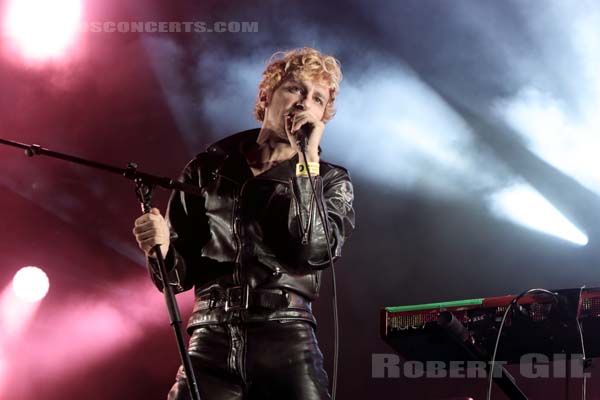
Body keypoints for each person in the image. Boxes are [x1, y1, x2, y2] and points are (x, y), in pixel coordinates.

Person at [133, 47, 355, 400]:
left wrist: (308, 161)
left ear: (322, 116)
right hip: (210, 338)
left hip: (286, 337)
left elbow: (313, 252)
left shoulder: (328, 180)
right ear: (267, 95)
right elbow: (175, 279)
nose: (304, 103)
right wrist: (159, 249)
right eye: (296, 89)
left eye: (317, 98)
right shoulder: (208, 168)